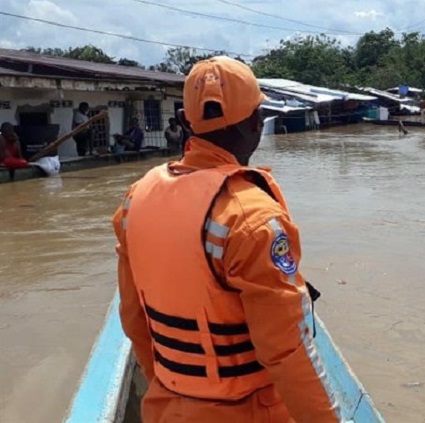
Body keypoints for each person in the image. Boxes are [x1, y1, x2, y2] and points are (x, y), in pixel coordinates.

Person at [111, 56, 340, 423]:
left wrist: (170, 387)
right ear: (256, 121)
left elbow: (133, 318)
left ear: (186, 122)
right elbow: (287, 350)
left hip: (167, 406)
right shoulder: (252, 216)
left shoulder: (135, 199)